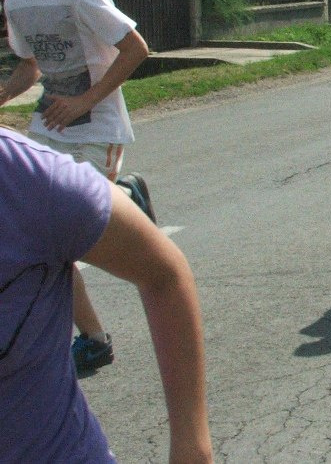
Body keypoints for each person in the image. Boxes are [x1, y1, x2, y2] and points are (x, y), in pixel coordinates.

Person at [0, 0, 154, 375]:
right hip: (50, 123)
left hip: (97, 127)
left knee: (60, 236)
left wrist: (86, 101)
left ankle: (124, 196)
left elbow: (136, 49)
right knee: (42, 237)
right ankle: (93, 338)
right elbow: (31, 67)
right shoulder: (17, 1)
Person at [0, 128, 212, 463]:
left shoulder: (28, 178)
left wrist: (192, 450)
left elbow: (165, 273)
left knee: (54, 239)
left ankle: (116, 208)